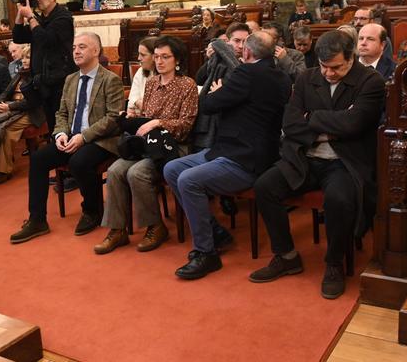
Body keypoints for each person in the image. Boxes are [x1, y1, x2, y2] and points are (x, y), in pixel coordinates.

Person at [251, 30, 385, 298]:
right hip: (305, 156)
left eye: (336, 67)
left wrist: (311, 118)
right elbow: (290, 123)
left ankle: (334, 263)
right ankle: (286, 255)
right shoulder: (306, 77)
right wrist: (331, 125)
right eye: (324, 66)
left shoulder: (371, 81)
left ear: (351, 58)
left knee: (340, 200)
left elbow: (355, 124)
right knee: (265, 187)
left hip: (345, 162)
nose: (328, 74)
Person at [164, 31, 291, 280]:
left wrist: (217, 93)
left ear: (247, 53)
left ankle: (206, 252)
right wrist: (227, 97)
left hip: (243, 158)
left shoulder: (246, 73)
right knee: (172, 169)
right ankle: (215, 232)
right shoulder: (283, 78)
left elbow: (209, 106)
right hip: (240, 151)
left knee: (187, 179)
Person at [9, 32, 124, 244]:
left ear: (96, 51)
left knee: (78, 161)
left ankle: (92, 210)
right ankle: (37, 220)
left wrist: (83, 137)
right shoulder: (70, 79)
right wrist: (60, 134)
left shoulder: (110, 80)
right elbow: (61, 113)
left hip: (100, 139)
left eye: (82, 47)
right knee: (38, 159)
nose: (76, 52)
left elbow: (114, 118)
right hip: (71, 136)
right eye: (74, 48)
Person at [96, 36, 199, 254]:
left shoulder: (186, 84)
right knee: (114, 170)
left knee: (136, 172)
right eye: (157, 56)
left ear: (177, 59)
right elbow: (146, 117)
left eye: (165, 57)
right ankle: (117, 230)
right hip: (149, 144)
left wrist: (157, 122)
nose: (159, 61)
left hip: (174, 147)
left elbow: (186, 125)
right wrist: (134, 117)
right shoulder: (151, 82)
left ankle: (155, 227)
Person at [13, 0, 77, 132]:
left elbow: (46, 40)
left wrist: (30, 17)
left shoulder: (63, 17)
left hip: (59, 81)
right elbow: (18, 37)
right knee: (50, 125)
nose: (36, 0)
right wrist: (21, 13)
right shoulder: (40, 18)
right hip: (42, 81)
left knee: (61, 126)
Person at [0, 45, 45, 184]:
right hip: (12, 109)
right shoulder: (20, 73)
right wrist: (0, 103)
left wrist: (10, 106)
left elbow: (33, 102)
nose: (24, 60)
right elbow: (6, 91)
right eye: (23, 57)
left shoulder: (39, 75)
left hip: (32, 112)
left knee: (4, 131)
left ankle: (3, 171)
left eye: (28, 57)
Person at [128, 36, 158, 117]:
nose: (138, 58)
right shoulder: (140, 71)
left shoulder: (165, 75)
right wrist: (137, 103)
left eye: (143, 55)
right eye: (139, 54)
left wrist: (140, 104)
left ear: (154, 56)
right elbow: (132, 99)